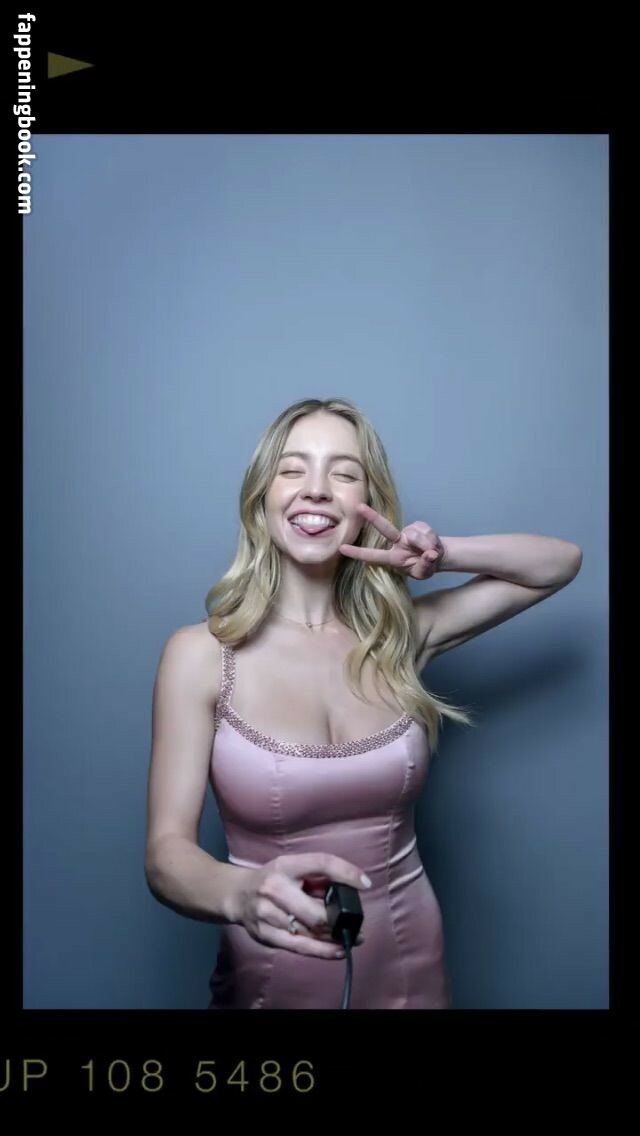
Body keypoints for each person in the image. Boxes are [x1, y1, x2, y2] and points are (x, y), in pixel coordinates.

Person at [144, 396, 583, 1009]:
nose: (317, 489)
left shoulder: (401, 637)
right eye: (293, 469)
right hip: (269, 975)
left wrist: (442, 555)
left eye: (344, 473)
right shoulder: (198, 656)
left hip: (411, 964)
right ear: (261, 495)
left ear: (366, 506)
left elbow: (558, 563)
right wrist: (238, 894)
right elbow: (166, 855)